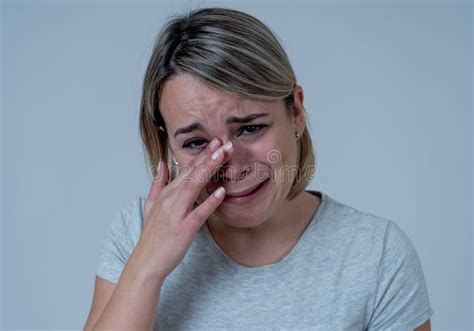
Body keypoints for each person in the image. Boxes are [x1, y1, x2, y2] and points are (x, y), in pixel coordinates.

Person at [84, 7, 433, 331]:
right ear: (169, 146)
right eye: (195, 143)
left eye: (250, 128)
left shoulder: (377, 254)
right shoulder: (135, 235)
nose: (229, 165)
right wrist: (146, 268)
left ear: (295, 112)